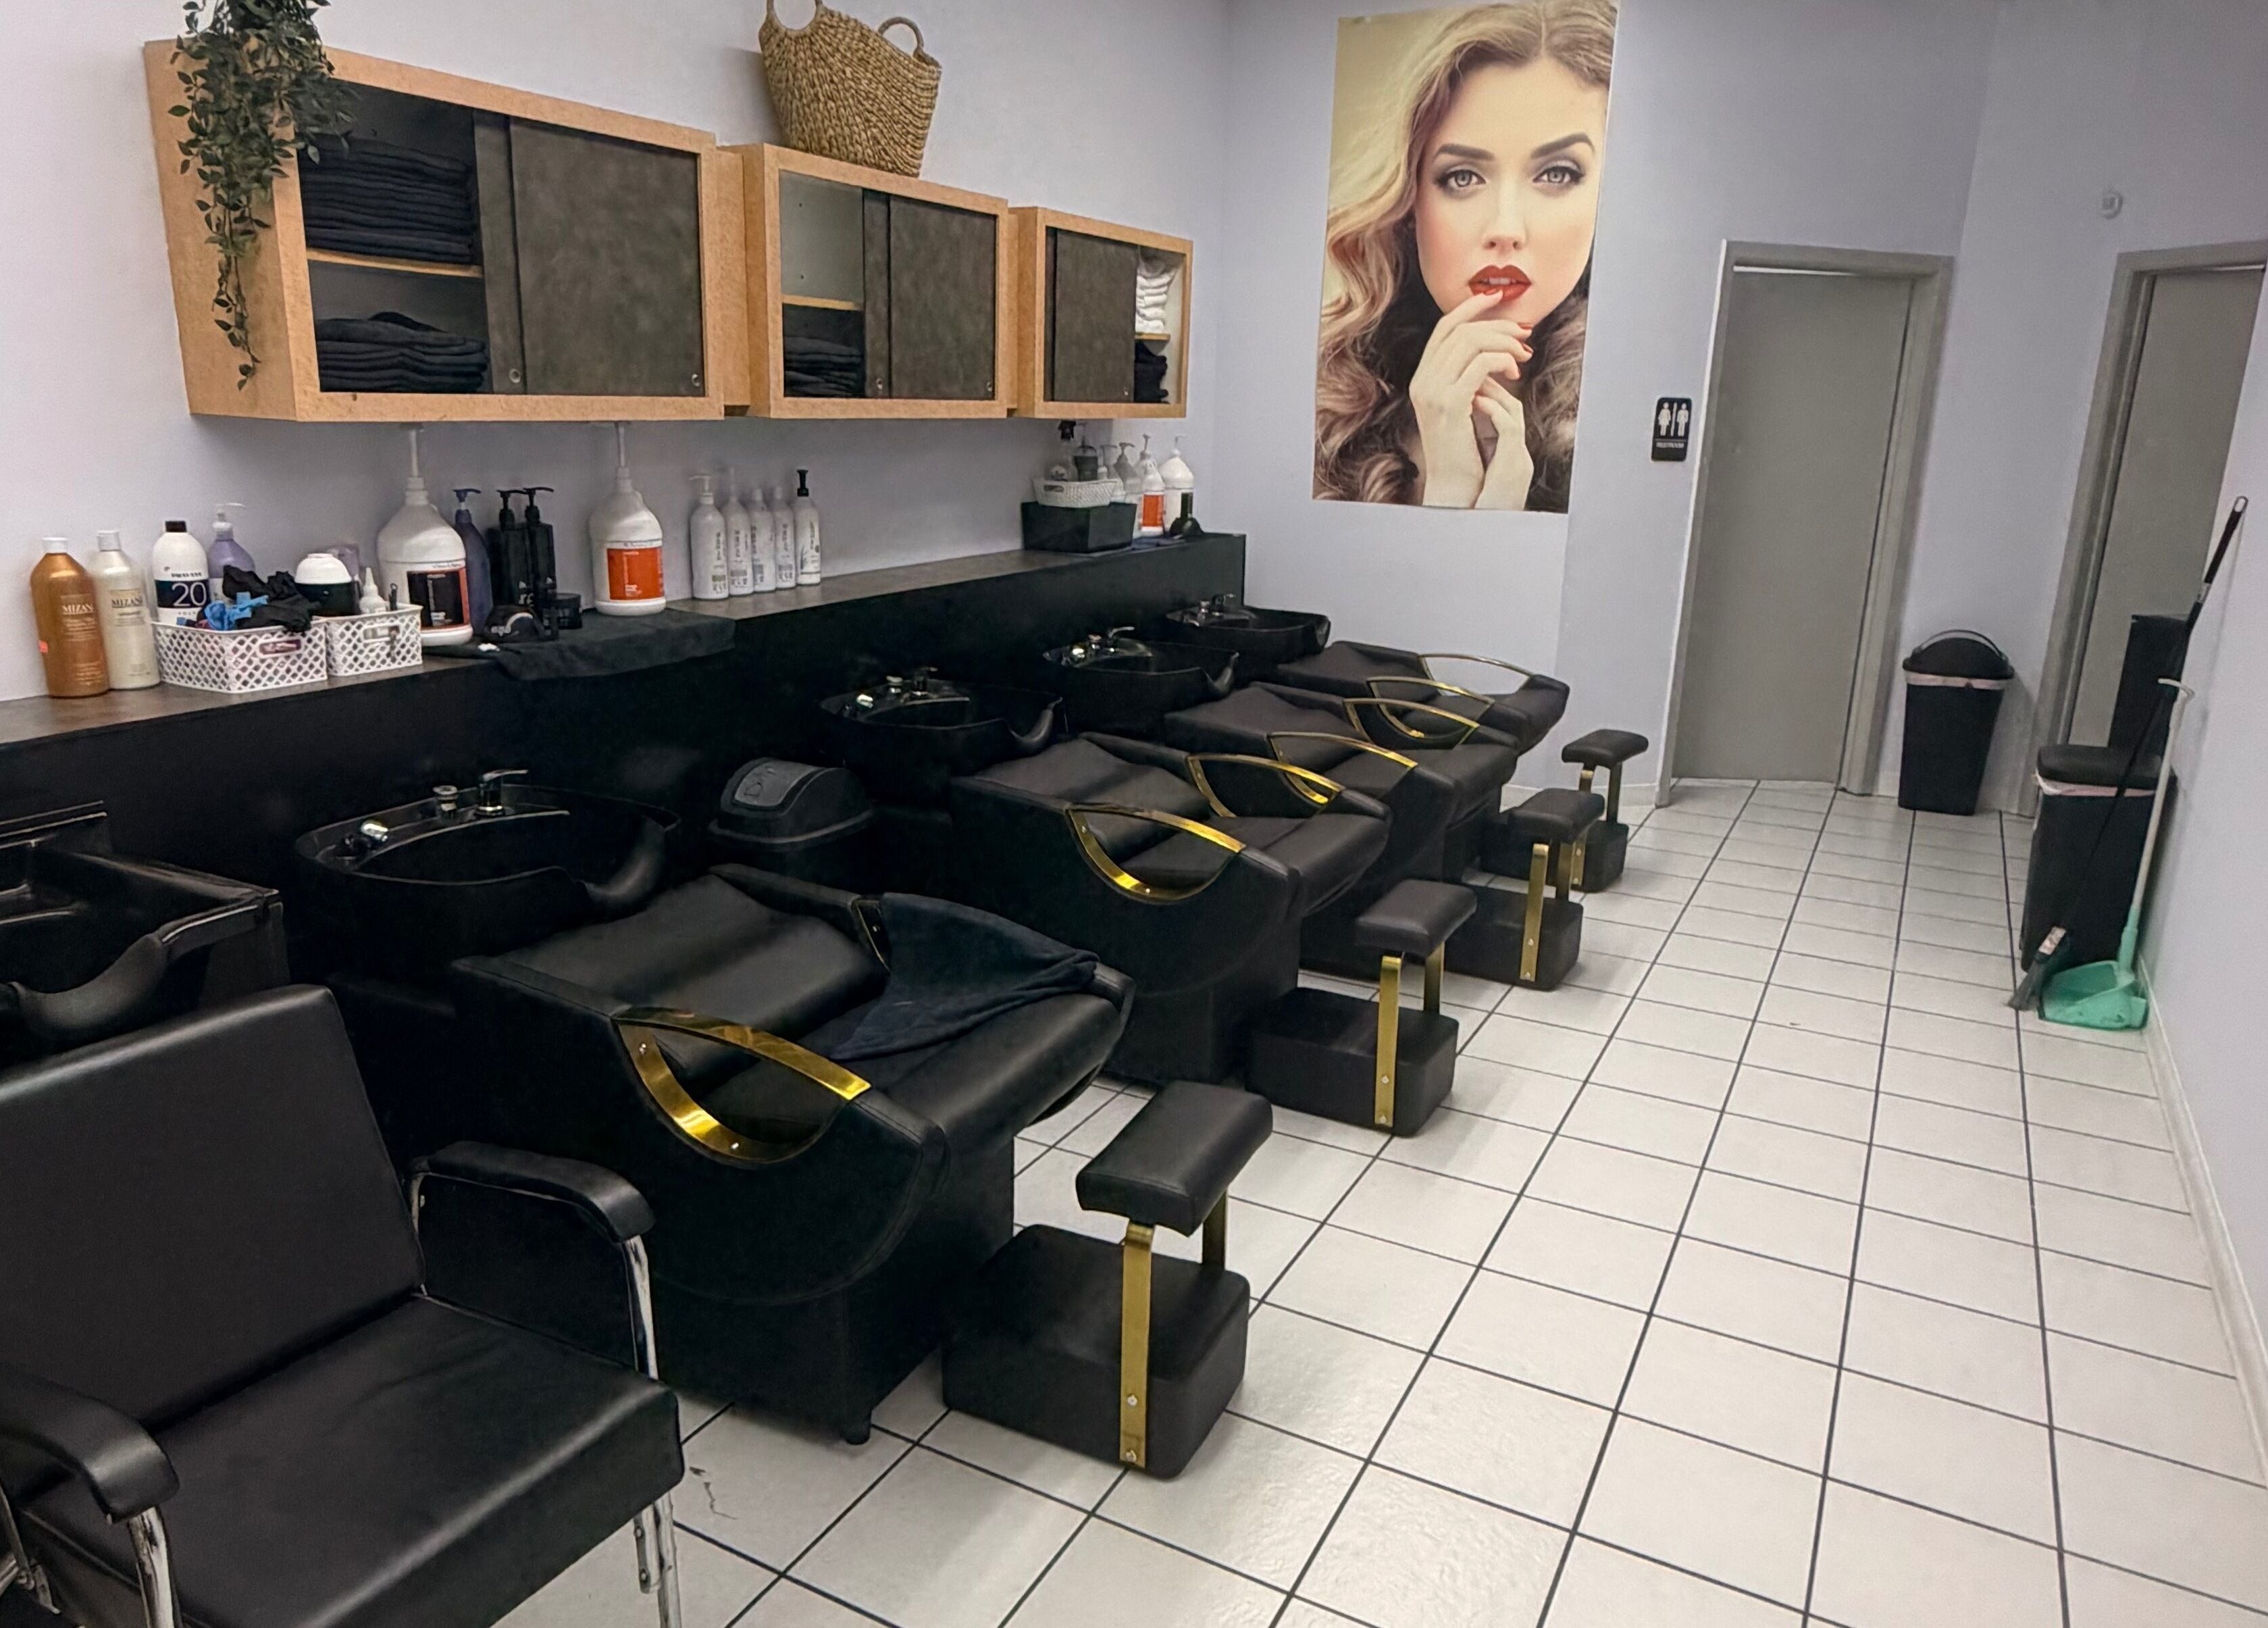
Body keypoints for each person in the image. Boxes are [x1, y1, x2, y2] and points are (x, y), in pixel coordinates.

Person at [1314, 0, 1616, 511]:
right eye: (1462, 178)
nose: (1505, 229)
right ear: (1409, 202)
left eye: (1558, 174)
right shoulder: (1329, 404)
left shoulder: (1630, 416)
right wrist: (1450, 488)